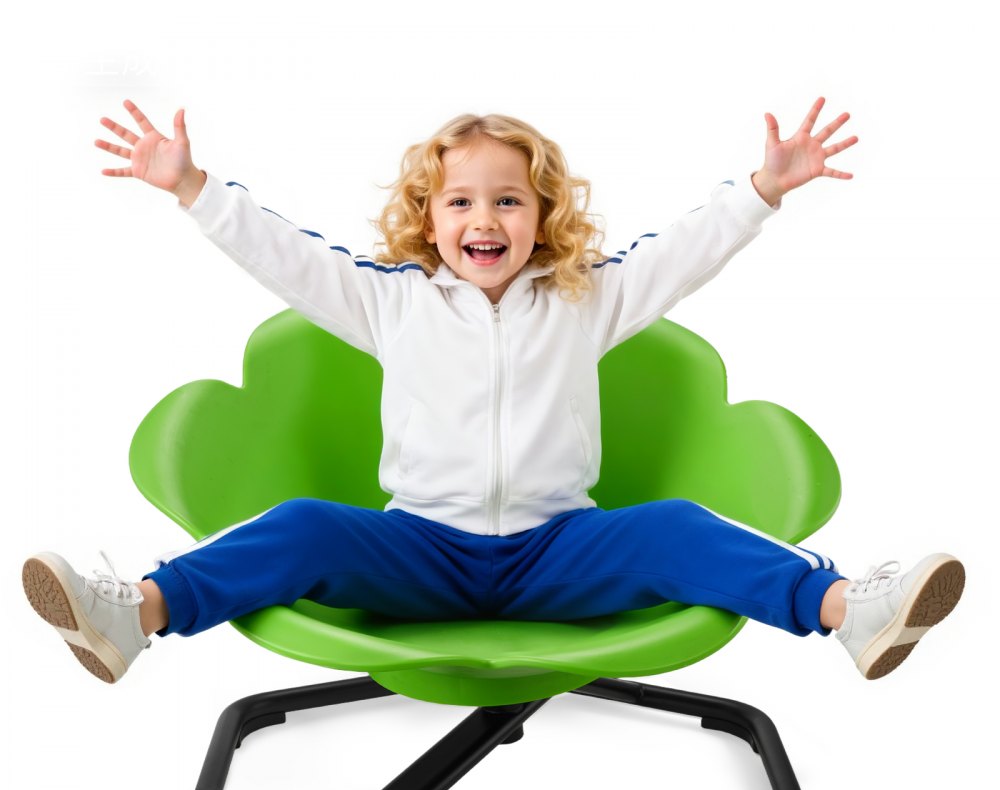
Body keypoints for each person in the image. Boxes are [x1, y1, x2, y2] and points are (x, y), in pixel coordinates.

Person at [23, 98, 964, 686]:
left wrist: (762, 189)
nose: (486, 217)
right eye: (461, 201)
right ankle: (132, 613)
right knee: (302, 524)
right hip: (419, 549)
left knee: (680, 527)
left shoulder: (587, 300)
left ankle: (850, 610)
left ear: (543, 217)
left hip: (561, 551)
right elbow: (288, 258)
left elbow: (682, 255)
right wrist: (192, 186)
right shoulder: (390, 301)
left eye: (509, 200)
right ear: (428, 219)